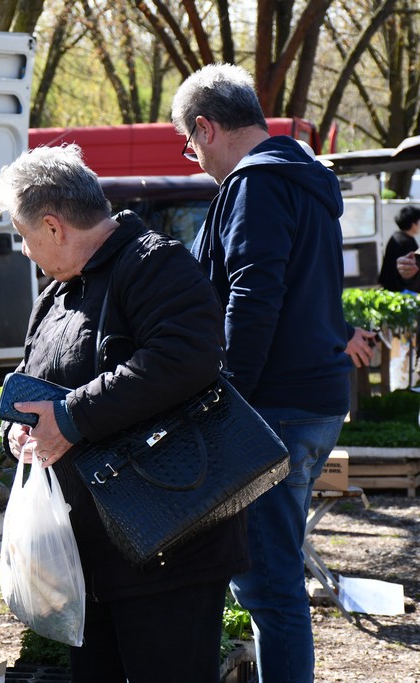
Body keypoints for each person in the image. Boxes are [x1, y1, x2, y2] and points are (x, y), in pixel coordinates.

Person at [0, 144, 248, 683]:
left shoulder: (155, 263)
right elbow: (40, 377)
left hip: (169, 542)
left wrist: (72, 418)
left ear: (53, 227)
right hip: (93, 552)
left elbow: (186, 357)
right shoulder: (57, 292)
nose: (26, 251)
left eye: (24, 235)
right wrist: (23, 427)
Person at [171, 63, 356, 682]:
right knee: (271, 575)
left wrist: (226, 403)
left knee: (269, 586)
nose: (192, 157)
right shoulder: (303, 177)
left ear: (206, 126)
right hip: (315, 400)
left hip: (272, 406)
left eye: (189, 143)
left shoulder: (256, 184)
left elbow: (253, 296)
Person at [379, 205, 420, 291]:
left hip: (389, 286)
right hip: (398, 290)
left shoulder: (397, 236)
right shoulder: (405, 242)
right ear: (414, 224)